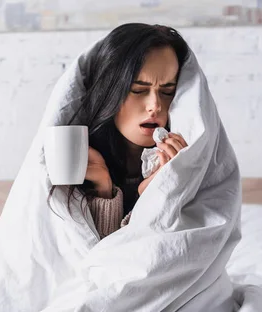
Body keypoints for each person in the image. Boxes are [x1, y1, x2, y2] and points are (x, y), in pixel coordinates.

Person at [58, 23, 191, 238]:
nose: (155, 105)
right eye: (138, 90)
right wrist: (103, 188)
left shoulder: (181, 156)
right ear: (109, 93)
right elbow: (98, 262)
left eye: (167, 92)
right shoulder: (81, 162)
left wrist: (159, 191)